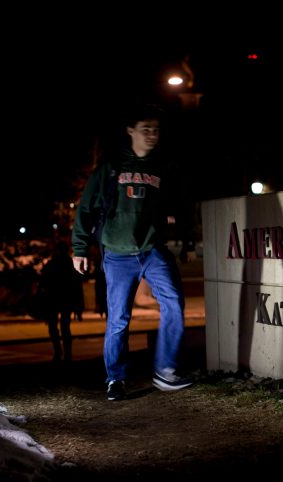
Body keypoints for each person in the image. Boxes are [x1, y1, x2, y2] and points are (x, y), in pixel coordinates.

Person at [72, 104, 196, 401]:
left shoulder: (164, 168)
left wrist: (187, 240)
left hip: (152, 250)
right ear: (131, 131)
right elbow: (86, 209)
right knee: (118, 318)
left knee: (174, 306)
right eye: (146, 129)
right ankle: (115, 378)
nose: (152, 135)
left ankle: (165, 370)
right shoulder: (111, 168)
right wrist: (79, 249)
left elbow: (181, 205)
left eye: (156, 130)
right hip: (117, 254)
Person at [39, 241, 83, 365]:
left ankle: (59, 352)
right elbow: (77, 287)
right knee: (64, 327)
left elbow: (43, 284)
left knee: (54, 327)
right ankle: (66, 353)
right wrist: (79, 307)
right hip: (65, 300)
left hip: (54, 299)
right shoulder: (70, 264)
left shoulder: (51, 264)